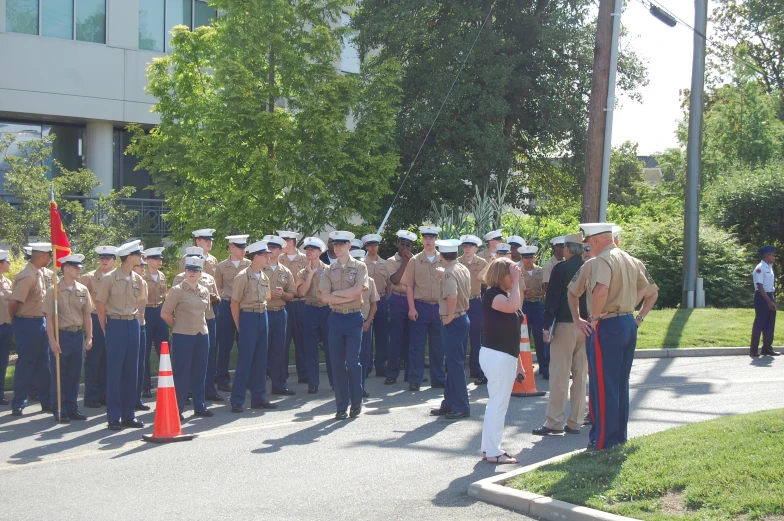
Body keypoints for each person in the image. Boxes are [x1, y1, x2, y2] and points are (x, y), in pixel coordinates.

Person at [568, 223, 651, 451]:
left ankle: (603, 441)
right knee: (619, 384)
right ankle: (618, 437)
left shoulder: (603, 260)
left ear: (594, 240)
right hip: (626, 322)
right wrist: (633, 310)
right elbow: (648, 289)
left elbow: (601, 289)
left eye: (587, 243)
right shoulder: (630, 258)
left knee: (602, 385)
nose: (587, 247)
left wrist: (593, 317)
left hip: (608, 324)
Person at [533, 233, 587, 436]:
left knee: (559, 376)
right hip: (586, 326)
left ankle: (554, 421)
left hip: (564, 325)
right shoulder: (590, 267)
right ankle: (576, 422)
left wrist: (547, 327)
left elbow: (552, 300)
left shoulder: (561, 268)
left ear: (568, 249)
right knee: (580, 376)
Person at [95, 240, 147, 430]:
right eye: (138, 255)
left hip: (132, 324)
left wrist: (139, 322)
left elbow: (141, 302)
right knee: (115, 372)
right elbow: (100, 305)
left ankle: (129, 415)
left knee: (131, 372)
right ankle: (114, 417)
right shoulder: (109, 279)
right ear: (129, 257)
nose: (141, 258)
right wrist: (105, 328)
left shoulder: (138, 279)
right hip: (115, 324)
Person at [319, 231, 369, 419]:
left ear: (349, 245)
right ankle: (341, 406)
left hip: (354, 317)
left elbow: (358, 292)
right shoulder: (328, 270)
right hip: (336, 318)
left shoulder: (360, 267)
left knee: (352, 362)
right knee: (337, 364)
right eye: (335, 244)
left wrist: (336, 293)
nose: (337, 247)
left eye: (341, 244)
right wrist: (344, 294)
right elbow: (324, 297)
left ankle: (356, 402)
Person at [479, 258, 523, 464]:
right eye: (510, 274)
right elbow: (513, 305)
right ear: (500, 276)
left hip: (504, 355)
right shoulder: (493, 295)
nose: (514, 277)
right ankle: (494, 451)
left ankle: (489, 448)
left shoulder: (503, 294)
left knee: (496, 404)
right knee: (498, 404)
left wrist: (519, 362)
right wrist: (516, 281)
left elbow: (517, 306)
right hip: (497, 355)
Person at [161, 256, 215, 418]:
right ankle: (177, 409)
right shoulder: (177, 290)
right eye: (189, 270)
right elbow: (165, 313)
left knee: (200, 371)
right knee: (182, 374)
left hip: (201, 334)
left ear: (200, 273)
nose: (191, 273)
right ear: (185, 271)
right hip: (183, 336)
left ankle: (200, 405)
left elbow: (206, 313)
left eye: (195, 270)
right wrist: (177, 324)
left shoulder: (204, 291)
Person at [43, 254, 93, 422]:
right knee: (59, 373)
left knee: (74, 373)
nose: (79, 269)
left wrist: (89, 336)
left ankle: (72, 407)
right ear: (65, 269)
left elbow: (87, 314)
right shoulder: (54, 291)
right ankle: (59, 407)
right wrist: (52, 340)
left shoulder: (82, 289)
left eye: (80, 266)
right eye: (75, 267)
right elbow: (49, 317)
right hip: (61, 334)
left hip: (77, 334)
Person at [230, 240, 277, 413]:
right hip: (248, 316)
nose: (267, 258)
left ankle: (258, 397)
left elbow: (268, 297)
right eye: (265, 255)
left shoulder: (264, 276)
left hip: (262, 315)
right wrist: (239, 326)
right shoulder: (242, 276)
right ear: (256, 257)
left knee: (261, 359)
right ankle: (237, 399)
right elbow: (234, 303)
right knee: (245, 360)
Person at [171, 248, 221, 402]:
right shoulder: (179, 279)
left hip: (207, 320)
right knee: (185, 363)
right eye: (191, 259)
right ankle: (185, 395)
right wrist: (178, 324)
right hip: (185, 326)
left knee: (206, 359)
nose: (195, 262)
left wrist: (214, 298)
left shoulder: (208, 278)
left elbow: (218, 299)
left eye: (198, 258)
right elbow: (171, 308)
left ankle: (208, 391)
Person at [430, 239, 472, 420]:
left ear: (441, 255)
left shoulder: (449, 273)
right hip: (462, 317)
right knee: (454, 363)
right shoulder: (461, 268)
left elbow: (452, 296)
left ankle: (461, 406)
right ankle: (449, 404)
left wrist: (449, 316)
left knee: (455, 365)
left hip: (453, 320)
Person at [9, 242, 53, 416]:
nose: (50, 258)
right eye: (49, 255)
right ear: (42, 256)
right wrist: (14, 319)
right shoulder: (28, 275)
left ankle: (46, 400)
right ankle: (19, 402)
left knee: (44, 363)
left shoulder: (40, 273)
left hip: (40, 321)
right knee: (26, 363)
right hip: (26, 322)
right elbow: (14, 302)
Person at [401, 225, 446, 391]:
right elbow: (409, 286)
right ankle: (415, 379)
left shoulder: (444, 259)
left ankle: (438, 379)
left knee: (438, 345)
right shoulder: (414, 260)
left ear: (436, 239)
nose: (428, 240)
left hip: (439, 307)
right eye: (425, 237)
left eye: (431, 237)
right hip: (420, 306)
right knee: (416, 346)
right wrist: (411, 308)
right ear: (422, 239)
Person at [79, 245, 116, 408]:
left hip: (113, 319)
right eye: (102, 258)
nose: (105, 261)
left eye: (108, 258)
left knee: (109, 359)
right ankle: (91, 396)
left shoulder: (118, 277)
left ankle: (105, 394)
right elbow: (78, 300)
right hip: (94, 318)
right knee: (94, 359)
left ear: (115, 261)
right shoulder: (88, 278)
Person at [214, 235, 251, 393]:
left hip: (245, 306)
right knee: (225, 344)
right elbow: (219, 289)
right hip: (227, 304)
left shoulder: (250, 265)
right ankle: (222, 378)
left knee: (246, 344)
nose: (243, 251)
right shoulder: (221, 267)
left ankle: (246, 378)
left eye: (244, 247)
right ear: (231, 248)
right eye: (240, 247)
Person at [296, 237, 332, 394]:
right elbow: (302, 292)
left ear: (320, 252)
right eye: (307, 250)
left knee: (331, 348)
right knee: (310, 348)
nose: (308, 252)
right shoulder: (302, 272)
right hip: (310, 309)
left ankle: (334, 381)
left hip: (327, 310)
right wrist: (310, 275)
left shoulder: (330, 270)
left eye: (312, 250)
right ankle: (313, 383)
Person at [262, 235, 297, 395]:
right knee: (261, 350)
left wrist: (282, 294)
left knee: (279, 350)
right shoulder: (258, 268)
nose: (271, 250)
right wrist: (269, 294)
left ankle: (279, 384)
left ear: (280, 249)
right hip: (263, 312)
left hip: (280, 313)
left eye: (275, 247)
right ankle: (258, 385)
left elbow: (292, 295)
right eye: (269, 247)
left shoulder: (285, 271)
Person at [384, 230, 417, 385]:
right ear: (398, 244)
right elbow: (395, 280)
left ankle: (411, 374)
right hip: (397, 299)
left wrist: (410, 261)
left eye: (408, 245)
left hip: (412, 300)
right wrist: (404, 262)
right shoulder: (391, 261)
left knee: (412, 339)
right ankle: (391, 373)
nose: (404, 247)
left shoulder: (416, 260)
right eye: (402, 244)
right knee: (395, 338)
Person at [278, 230, 309, 384]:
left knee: (302, 339)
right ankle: (281, 374)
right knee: (283, 340)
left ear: (290, 242)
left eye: (283, 240)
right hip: (284, 303)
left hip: (302, 303)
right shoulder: (277, 259)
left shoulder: (305, 259)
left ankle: (304, 374)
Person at [458, 235, 488, 385]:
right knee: (461, 336)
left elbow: (487, 284)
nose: (467, 248)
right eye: (465, 246)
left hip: (476, 301)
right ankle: (459, 368)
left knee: (476, 337)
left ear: (476, 248)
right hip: (461, 302)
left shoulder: (483, 263)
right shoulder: (457, 263)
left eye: (470, 246)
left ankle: (476, 369)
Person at [350, 249, 379, 397]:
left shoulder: (371, 281)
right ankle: (349, 387)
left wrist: (368, 322)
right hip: (349, 324)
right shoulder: (346, 282)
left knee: (364, 356)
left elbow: (374, 304)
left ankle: (360, 386)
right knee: (349, 357)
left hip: (365, 325)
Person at [141, 247, 168, 399]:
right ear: (147, 260)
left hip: (159, 310)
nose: (159, 261)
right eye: (156, 259)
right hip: (146, 310)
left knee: (163, 348)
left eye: (160, 259)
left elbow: (164, 293)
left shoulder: (162, 275)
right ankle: (145, 386)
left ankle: (165, 382)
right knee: (145, 350)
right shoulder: (142, 276)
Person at [361, 233, 390, 377]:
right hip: (366, 302)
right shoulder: (361, 264)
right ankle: (366, 367)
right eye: (370, 245)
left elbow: (389, 284)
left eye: (375, 245)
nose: (373, 248)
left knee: (382, 334)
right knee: (366, 333)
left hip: (382, 299)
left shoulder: (385, 263)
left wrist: (389, 300)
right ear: (366, 247)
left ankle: (380, 365)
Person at [519, 245, 548, 378]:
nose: (528, 260)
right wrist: (523, 293)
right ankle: (523, 367)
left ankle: (544, 366)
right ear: (522, 259)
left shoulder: (541, 271)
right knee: (524, 336)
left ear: (534, 257)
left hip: (537, 304)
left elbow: (546, 289)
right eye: (525, 257)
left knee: (539, 336)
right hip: (524, 305)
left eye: (530, 257)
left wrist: (536, 292)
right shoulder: (518, 271)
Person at [751, 245, 778, 357]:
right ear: (767, 255)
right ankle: (753, 349)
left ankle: (767, 348)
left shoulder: (769, 267)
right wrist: (768, 301)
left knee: (770, 323)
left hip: (769, 295)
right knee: (760, 323)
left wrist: (771, 299)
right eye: (772, 255)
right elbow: (760, 286)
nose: (774, 257)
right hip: (762, 297)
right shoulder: (760, 268)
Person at [132, 259, 150, 411]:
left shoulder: (143, 282)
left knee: (140, 363)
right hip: (127, 325)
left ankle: (136, 397)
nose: (143, 267)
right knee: (128, 364)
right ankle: (127, 398)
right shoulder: (124, 281)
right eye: (140, 265)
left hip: (141, 324)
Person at [0, 250, 13, 406]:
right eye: (7, 261)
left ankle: (1, 393)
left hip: (6, 326)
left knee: (3, 362)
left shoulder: (8, 282)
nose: (9, 264)